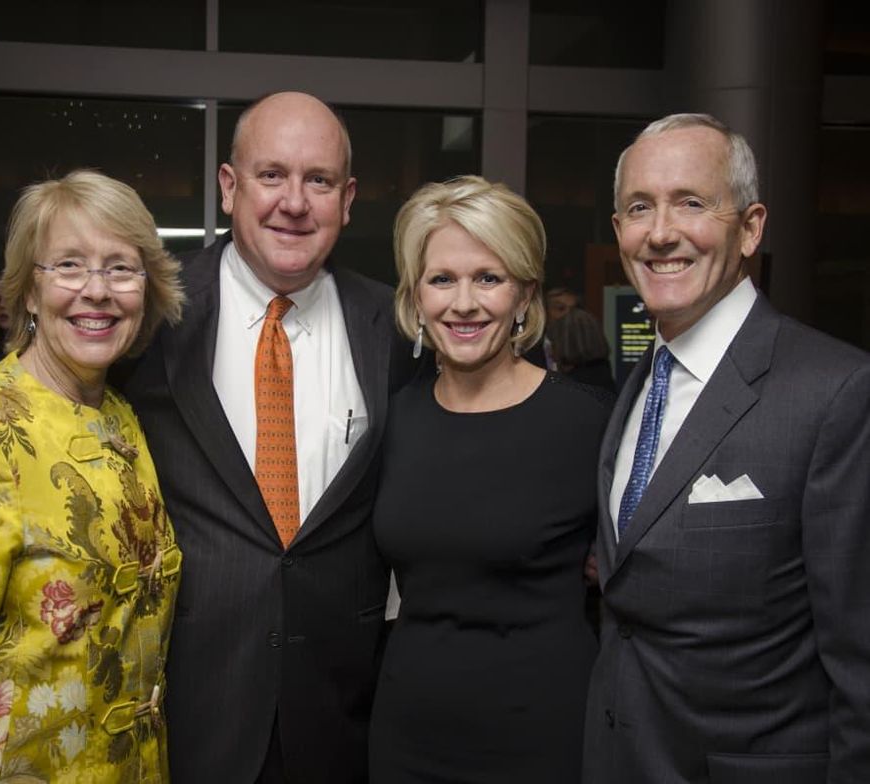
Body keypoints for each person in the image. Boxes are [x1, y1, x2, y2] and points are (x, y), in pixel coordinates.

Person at [122, 91, 412, 783]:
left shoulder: (397, 327)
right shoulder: (152, 317)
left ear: (347, 199)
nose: (294, 202)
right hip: (193, 709)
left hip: (343, 715)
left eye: (319, 180)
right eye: (272, 174)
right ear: (230, 187)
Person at [583, 114, 870, 783]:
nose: (661, 232)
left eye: (691, 202)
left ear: (750, 228)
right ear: (619, 230)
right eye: (639, 208)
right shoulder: (638, 383)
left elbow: (861, 663)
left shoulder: (837, 392)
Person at [0, 170, 185, 781]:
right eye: (69, 266)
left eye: (120, 269)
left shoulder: (122, 416)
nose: (97, 290)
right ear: (28, 291)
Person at [369, 175, 611, 783]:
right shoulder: (393, 420)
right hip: (407, 735)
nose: (464, 303)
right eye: (441, 279)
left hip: (541, 738)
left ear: (524, 293)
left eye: (488, 278)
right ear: (416, 295)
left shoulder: (588, 424)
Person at [547, 306, 616, 394]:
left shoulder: (571, 389)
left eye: (554, 345)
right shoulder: (604, 376)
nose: (551, 354)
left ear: (567, 345)